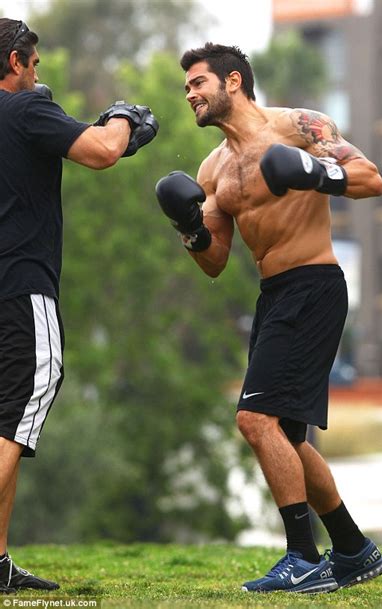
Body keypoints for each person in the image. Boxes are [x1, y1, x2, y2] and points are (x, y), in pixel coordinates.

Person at [156, 42, 382, 594]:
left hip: (315, 283)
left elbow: (371, 179)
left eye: (197, 83)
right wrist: (190, 225)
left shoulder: (298, 126)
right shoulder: (213, 169)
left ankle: (303, 557)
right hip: (273, 294)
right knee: (286, 434)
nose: (189, 93)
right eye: (186, 86)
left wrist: (315, 172)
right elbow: (214, 262)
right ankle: (354, 549)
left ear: (232, 81)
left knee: (255, 420)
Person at [0, 18, 157, 593]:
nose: (38, 75)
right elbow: (102, 152)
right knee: (27, 400)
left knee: (3, 417)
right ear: (15, 62)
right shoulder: (22, 110)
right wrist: (123, 115)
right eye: (35, 64)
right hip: (21, 287)